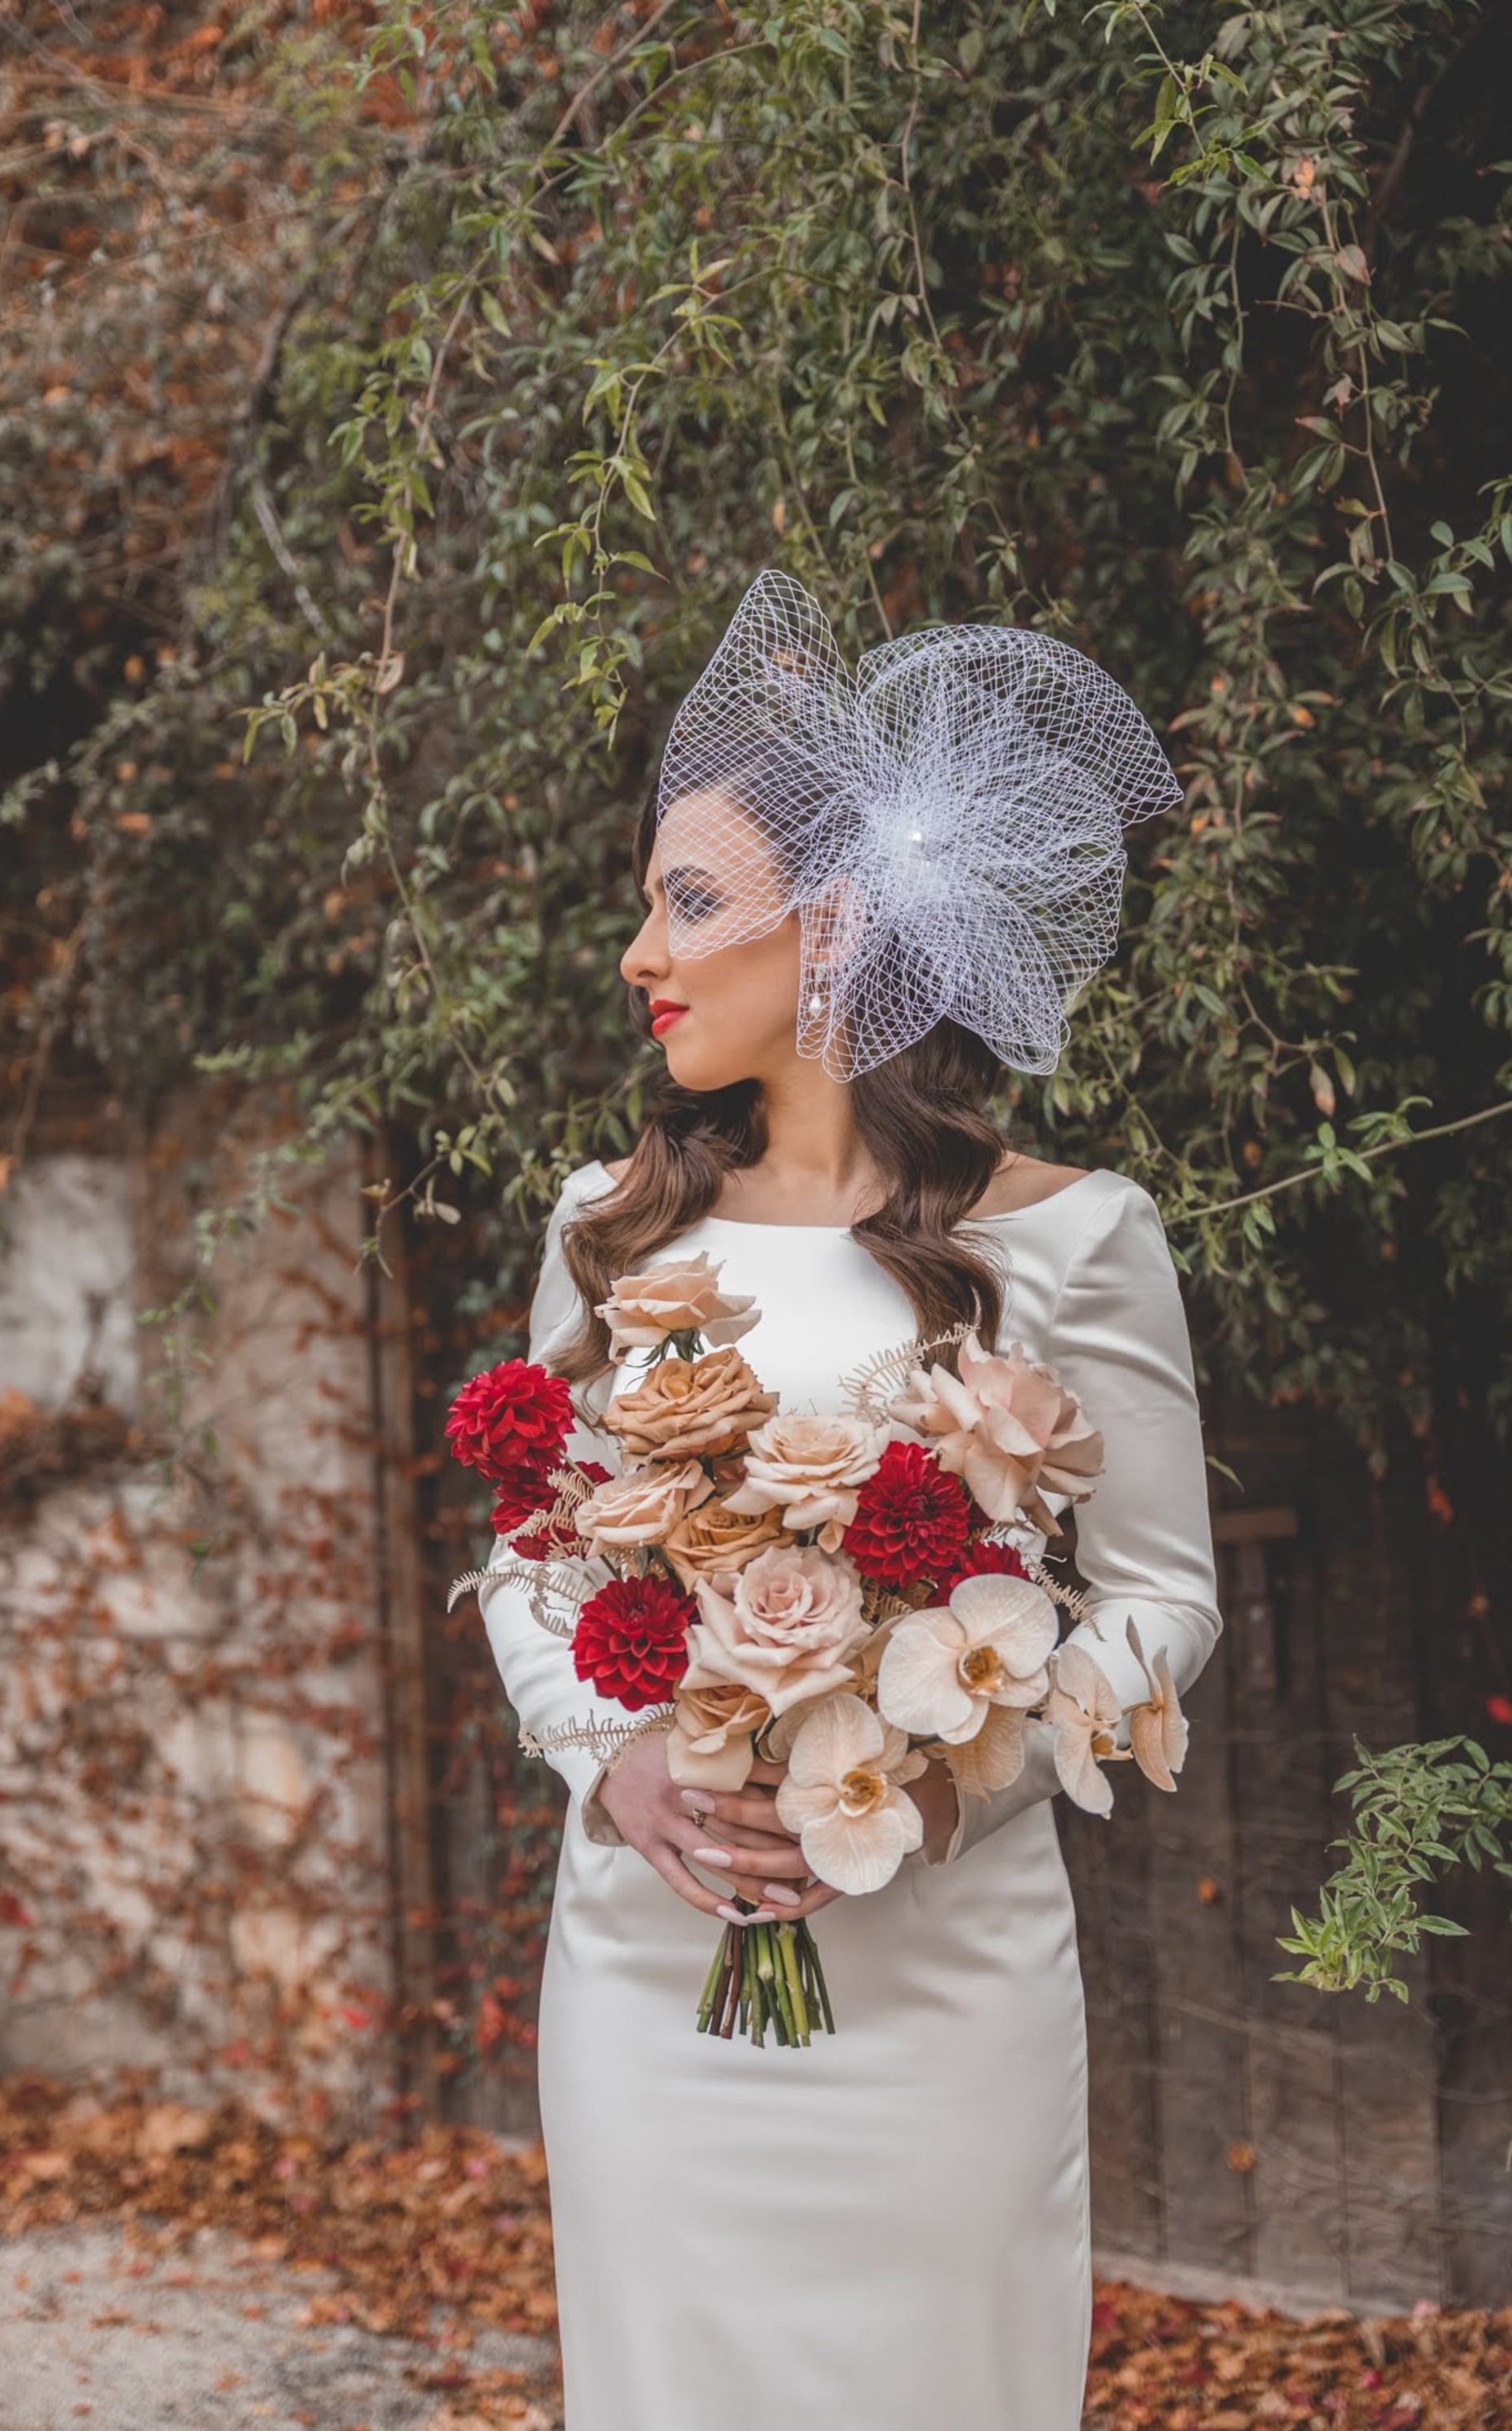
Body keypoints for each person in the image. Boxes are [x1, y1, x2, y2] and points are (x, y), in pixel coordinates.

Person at [475, 570, 1223, 2430]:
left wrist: (952, 1767)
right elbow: (530, 1561)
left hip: (940, 1985)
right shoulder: (608, 1228)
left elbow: (1160, 1604)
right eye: (651, 904)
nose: (641, 956)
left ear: (846, 923)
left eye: (690, 902)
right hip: (649, 1969)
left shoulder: (1075, 1239)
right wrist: (611, 1759)